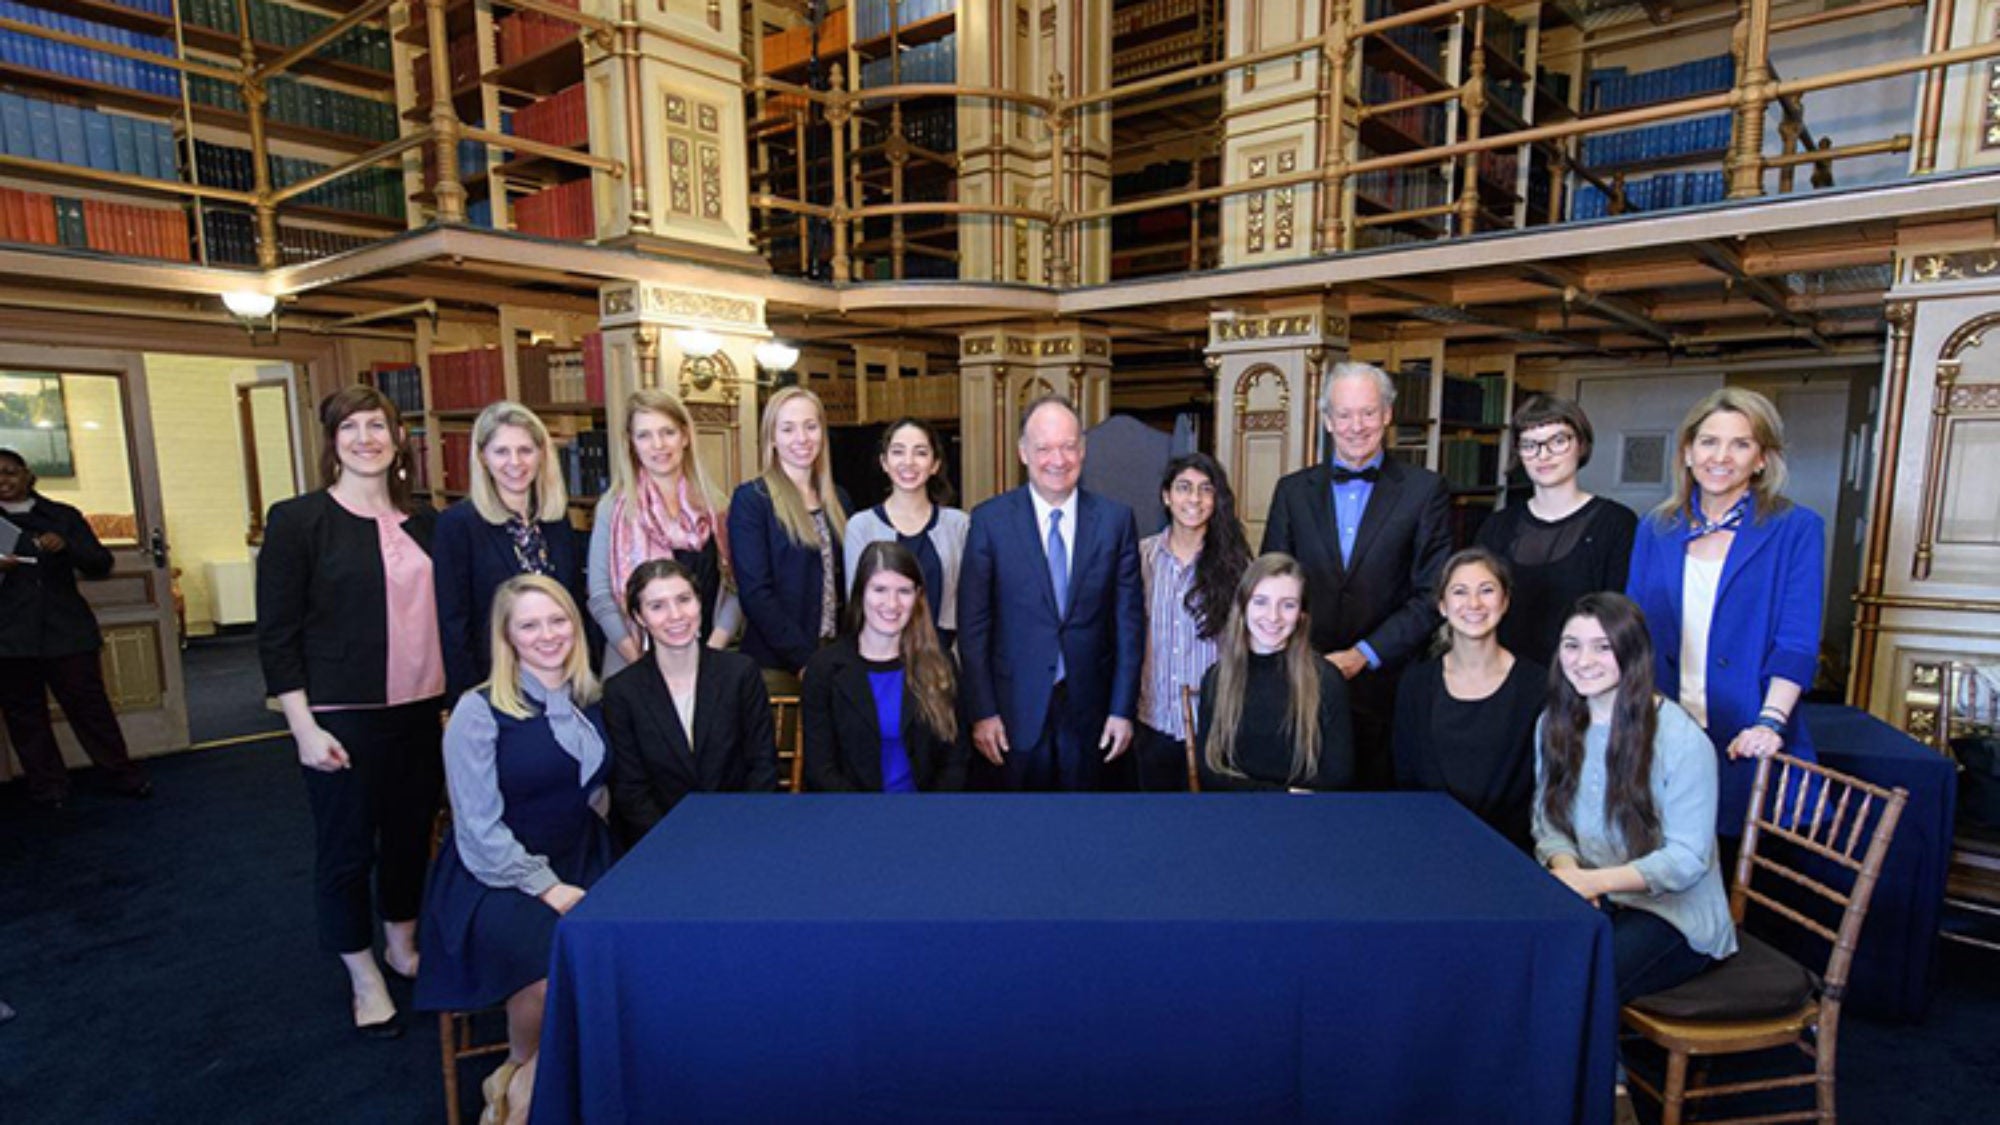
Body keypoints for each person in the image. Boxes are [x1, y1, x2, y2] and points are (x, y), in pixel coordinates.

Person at [256, 385, 444, 1037]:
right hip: (339, 714)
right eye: (351, 427)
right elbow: (276, 634)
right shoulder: (297, 520)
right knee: (344, 849)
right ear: (332, 441)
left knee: (407, 835)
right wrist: (302, 727)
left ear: (398, 441)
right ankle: (363, 974)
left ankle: (400, 940)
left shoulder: (428, 522)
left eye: (378, 425)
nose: (366, 437)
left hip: (422, 710)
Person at [415, 575, 612, 1125]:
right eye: (529, 625)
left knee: (621, 948)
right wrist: (546, 886)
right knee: (550, 973)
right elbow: (477, 828)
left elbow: (592, 788)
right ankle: (525, 1072)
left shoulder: (586, 698)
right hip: (497, 871)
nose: (548, 635)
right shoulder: (478, 712)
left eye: (558, 620)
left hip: (582, 854)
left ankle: (522, 1079)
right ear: (507, 638)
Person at [1625, 387, 1823, 838]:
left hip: (1747, 732)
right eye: (1709, 441)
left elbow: (1797, 641)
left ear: (1761, 459)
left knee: (1735, 863)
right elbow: (1633, 633)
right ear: (1689, 452)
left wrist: (1770, 722)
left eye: (1741, 443)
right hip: (1664, 728)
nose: (1722, 456)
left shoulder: (1796, 528)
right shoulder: (1656, 527)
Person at [1533, 592, 1736, 1004]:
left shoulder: (1681, 740)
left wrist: (1591, 882)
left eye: (1602, 647)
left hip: (1673, 914)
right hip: (1595, 895)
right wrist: (1571, 874)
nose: (1583, 660)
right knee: (1524, 959)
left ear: (1633, 652)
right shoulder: (1552, 724)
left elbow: (1686, 859)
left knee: (1573, 981)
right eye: (1572, 646)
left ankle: (1596, 1069)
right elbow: (1547, 820)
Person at [1262, 362, 1451, 789]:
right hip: (1304, 679)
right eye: (1343, 414)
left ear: (1386, 414)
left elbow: (1431, 594)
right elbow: (1271, 587)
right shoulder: (1291, 491)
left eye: (1367, 412)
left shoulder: (1426, 491)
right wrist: (1302, 658)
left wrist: (1365, 653)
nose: (1355, 426)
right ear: (1327, 420)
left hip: (1388, 686)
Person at [958, 394, 1145, 792]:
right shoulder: (989, 522)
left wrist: (1122, 709)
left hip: (1094, 716)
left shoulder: (1116, 521)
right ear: (1023, 452)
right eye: (1043, 447)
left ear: (1083, 449)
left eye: (1067, 445)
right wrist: (983, 711)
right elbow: (973, 628)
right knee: (1019, 834)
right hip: (1011, 716)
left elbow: (1129, 626)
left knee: (1087, 833)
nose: (1057, 459)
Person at [0, 447, 152, 808]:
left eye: (9, 472)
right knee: (26, 716)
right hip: (9, 636)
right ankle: (48, 786)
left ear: (26, 475)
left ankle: (121, 774)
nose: (3, 481)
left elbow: (100, 563)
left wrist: (66, 547)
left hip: (65, 630)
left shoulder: (61, 515)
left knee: (90, 709)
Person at [603, 559, 777, 844]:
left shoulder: (740, 674)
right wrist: (677, 841)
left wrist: (742, 829)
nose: (675, 615)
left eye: (684, 600)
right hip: (660, 844)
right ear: (639, 617)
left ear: (700, 603)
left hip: (741, 833)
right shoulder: (621, 692)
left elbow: (762, 766)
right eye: (657, 606)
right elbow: (631, 789)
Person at [433, 401, 589, 699]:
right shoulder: (457, 525)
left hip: (563, 680)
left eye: (525, 450)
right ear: (483, 458)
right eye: (501, 451)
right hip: (495, 686)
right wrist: (469, 700)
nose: (515, 462)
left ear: (542, 454)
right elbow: (454, 624)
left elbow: (574, 604)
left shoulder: (556, 520)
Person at [1392, 548, 1544, 850]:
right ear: (1442, 605)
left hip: (1513, 856)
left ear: (1505, 601)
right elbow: (1403, 776)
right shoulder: (1416, 683)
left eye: (1486, 590)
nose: (1473, 604)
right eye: (1459, 592)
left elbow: (1546, 788)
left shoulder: (1539, 686)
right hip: (1429, 848)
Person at [1475, 395, 1637, 668]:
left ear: (1581, 444)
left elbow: (1619, 622)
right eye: (1530, 445)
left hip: (1583, 681)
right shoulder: (1497, 527)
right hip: (1506, 682)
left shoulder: (1617, 523)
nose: (1543, 455)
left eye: (1558, 441)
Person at [588, 389, 739, 679]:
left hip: (709, 664)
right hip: (631, 665)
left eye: (667, 432)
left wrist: (712, 652)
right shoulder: (613, 508)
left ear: (684, 436)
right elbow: (601, 595)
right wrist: (641, 665)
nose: (658, 445)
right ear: (632, 444)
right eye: (644, 435)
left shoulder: (718, 506)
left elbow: (735, 588)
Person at [802, 542, 968, 792]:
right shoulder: (824, 668)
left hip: (927, 816)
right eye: (879, 589)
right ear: (860, 594)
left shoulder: (941, 665)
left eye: (904, 591)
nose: (892, 604)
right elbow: (820, 769)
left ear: (918, 596)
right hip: (851, 816)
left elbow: (956, 762)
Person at [1135, 452, 1251, 791]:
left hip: (1214, 727)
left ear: (1216, 500)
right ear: (1166, 496)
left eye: (1206, 490)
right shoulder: (1140, 557)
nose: (1194, 499)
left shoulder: (1237, 565)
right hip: (1150, 721)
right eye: (1184, 488)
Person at [1196, 554, 1355, 792]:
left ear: (1302, 615)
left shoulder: (1327, 680)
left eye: (1288, 605)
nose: (1273, 616)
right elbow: (1210, 772)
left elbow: (1339, 775)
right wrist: (1280, 794)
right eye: (1261, 601)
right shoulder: (1216, 679)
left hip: (1305, 817)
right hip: (1238, 814)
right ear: (1242, 606)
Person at [727, 387, 850, 691]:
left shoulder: (840, 501)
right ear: (771, 437)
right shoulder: (753, 500)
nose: (802, 439)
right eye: (788, 429)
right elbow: (755, 593)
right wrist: (805, 659)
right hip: (778, 667)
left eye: (811, 426)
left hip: (835, 659)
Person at [841, 417, 969, 651]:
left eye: (920, 453)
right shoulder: (861, 526)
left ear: (935, 464)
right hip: (880, 657)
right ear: (884, 462)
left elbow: (970, 604)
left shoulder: (959, 525)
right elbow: (857, 604)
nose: (908, 462)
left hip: (944, 660)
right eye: (898, 452)